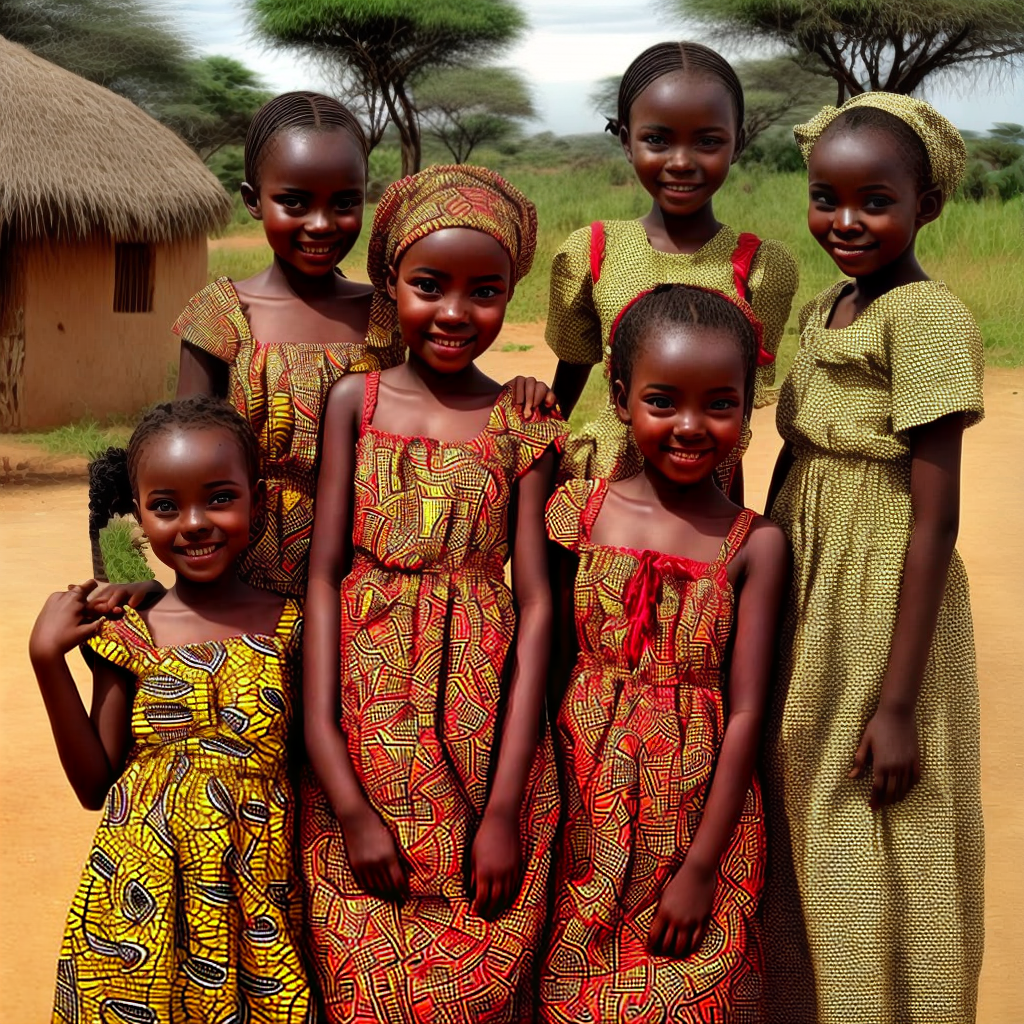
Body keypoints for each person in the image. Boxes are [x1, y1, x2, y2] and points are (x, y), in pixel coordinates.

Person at [300, 166, 568, 1023]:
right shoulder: (356, 401)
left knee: (477, 971)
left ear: (510, 297)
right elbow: (322, 573)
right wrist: (344, 797)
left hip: (481, 730)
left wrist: (502, 808)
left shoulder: (522, 423)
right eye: (429, 286)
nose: (455, 312)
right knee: (359, 969)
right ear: (390, 285)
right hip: (365, 730)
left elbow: (536, 607)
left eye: (484, 293)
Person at [762, 94, 985, 1024]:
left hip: (884, 588)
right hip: (806, 580)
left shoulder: (927, 318)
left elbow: (934, 522)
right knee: (797, 799)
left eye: (875, 201)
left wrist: (899, 705)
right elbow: (791, 453)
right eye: (826, 197)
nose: (845, 222)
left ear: (926, 206)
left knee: (873, 823)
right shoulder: (820, 311)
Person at [541, 284, 789, 1023]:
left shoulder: (755, 544)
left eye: (720, 404)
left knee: (690, 991)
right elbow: (549, 660)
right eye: (662, 401)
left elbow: (746, 711)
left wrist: (703, 866)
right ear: (619, 398)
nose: (691, 425)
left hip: (697, 814)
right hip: (582, 798)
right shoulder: (578, 512)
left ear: (748, 409)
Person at [29, 396, 317, 1023]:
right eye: (165, 506)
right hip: (136, 900)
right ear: (139, 516)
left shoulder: (297, 625)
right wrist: (47, 661)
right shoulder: (129, 633)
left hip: (255, 893)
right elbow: (93, 785)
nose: (193, 523)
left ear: (258, 503)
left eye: (219, 498)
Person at [545, 41, 798, 495]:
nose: (681, 161)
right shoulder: (594, 253)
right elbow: (563, 396)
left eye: (707, 141)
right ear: (626, 141)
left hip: (709, 492)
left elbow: (736, 412)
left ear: (737, 143)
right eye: (658, 139)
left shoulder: (760, 268)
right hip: (603, 489)